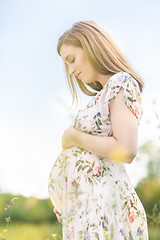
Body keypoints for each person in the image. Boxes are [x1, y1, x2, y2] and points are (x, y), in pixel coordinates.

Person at [48, 21, 149, 240]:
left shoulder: (120, 83)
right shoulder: (101, 96)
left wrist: (75, 136)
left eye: (72, 60)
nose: (71, 70)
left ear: (91, 46)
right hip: (89, 212)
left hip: (109, 211)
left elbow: (126, 149)